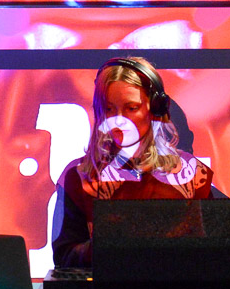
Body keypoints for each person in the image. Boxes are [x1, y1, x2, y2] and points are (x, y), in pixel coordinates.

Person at [52, 56, 214, 267]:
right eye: (109, 109)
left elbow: (215, 254)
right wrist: (107, 245)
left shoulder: (193, 175)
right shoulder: (79, 177)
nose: (118, 120)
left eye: (131, 108)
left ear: (155, 110)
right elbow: (64, 258)